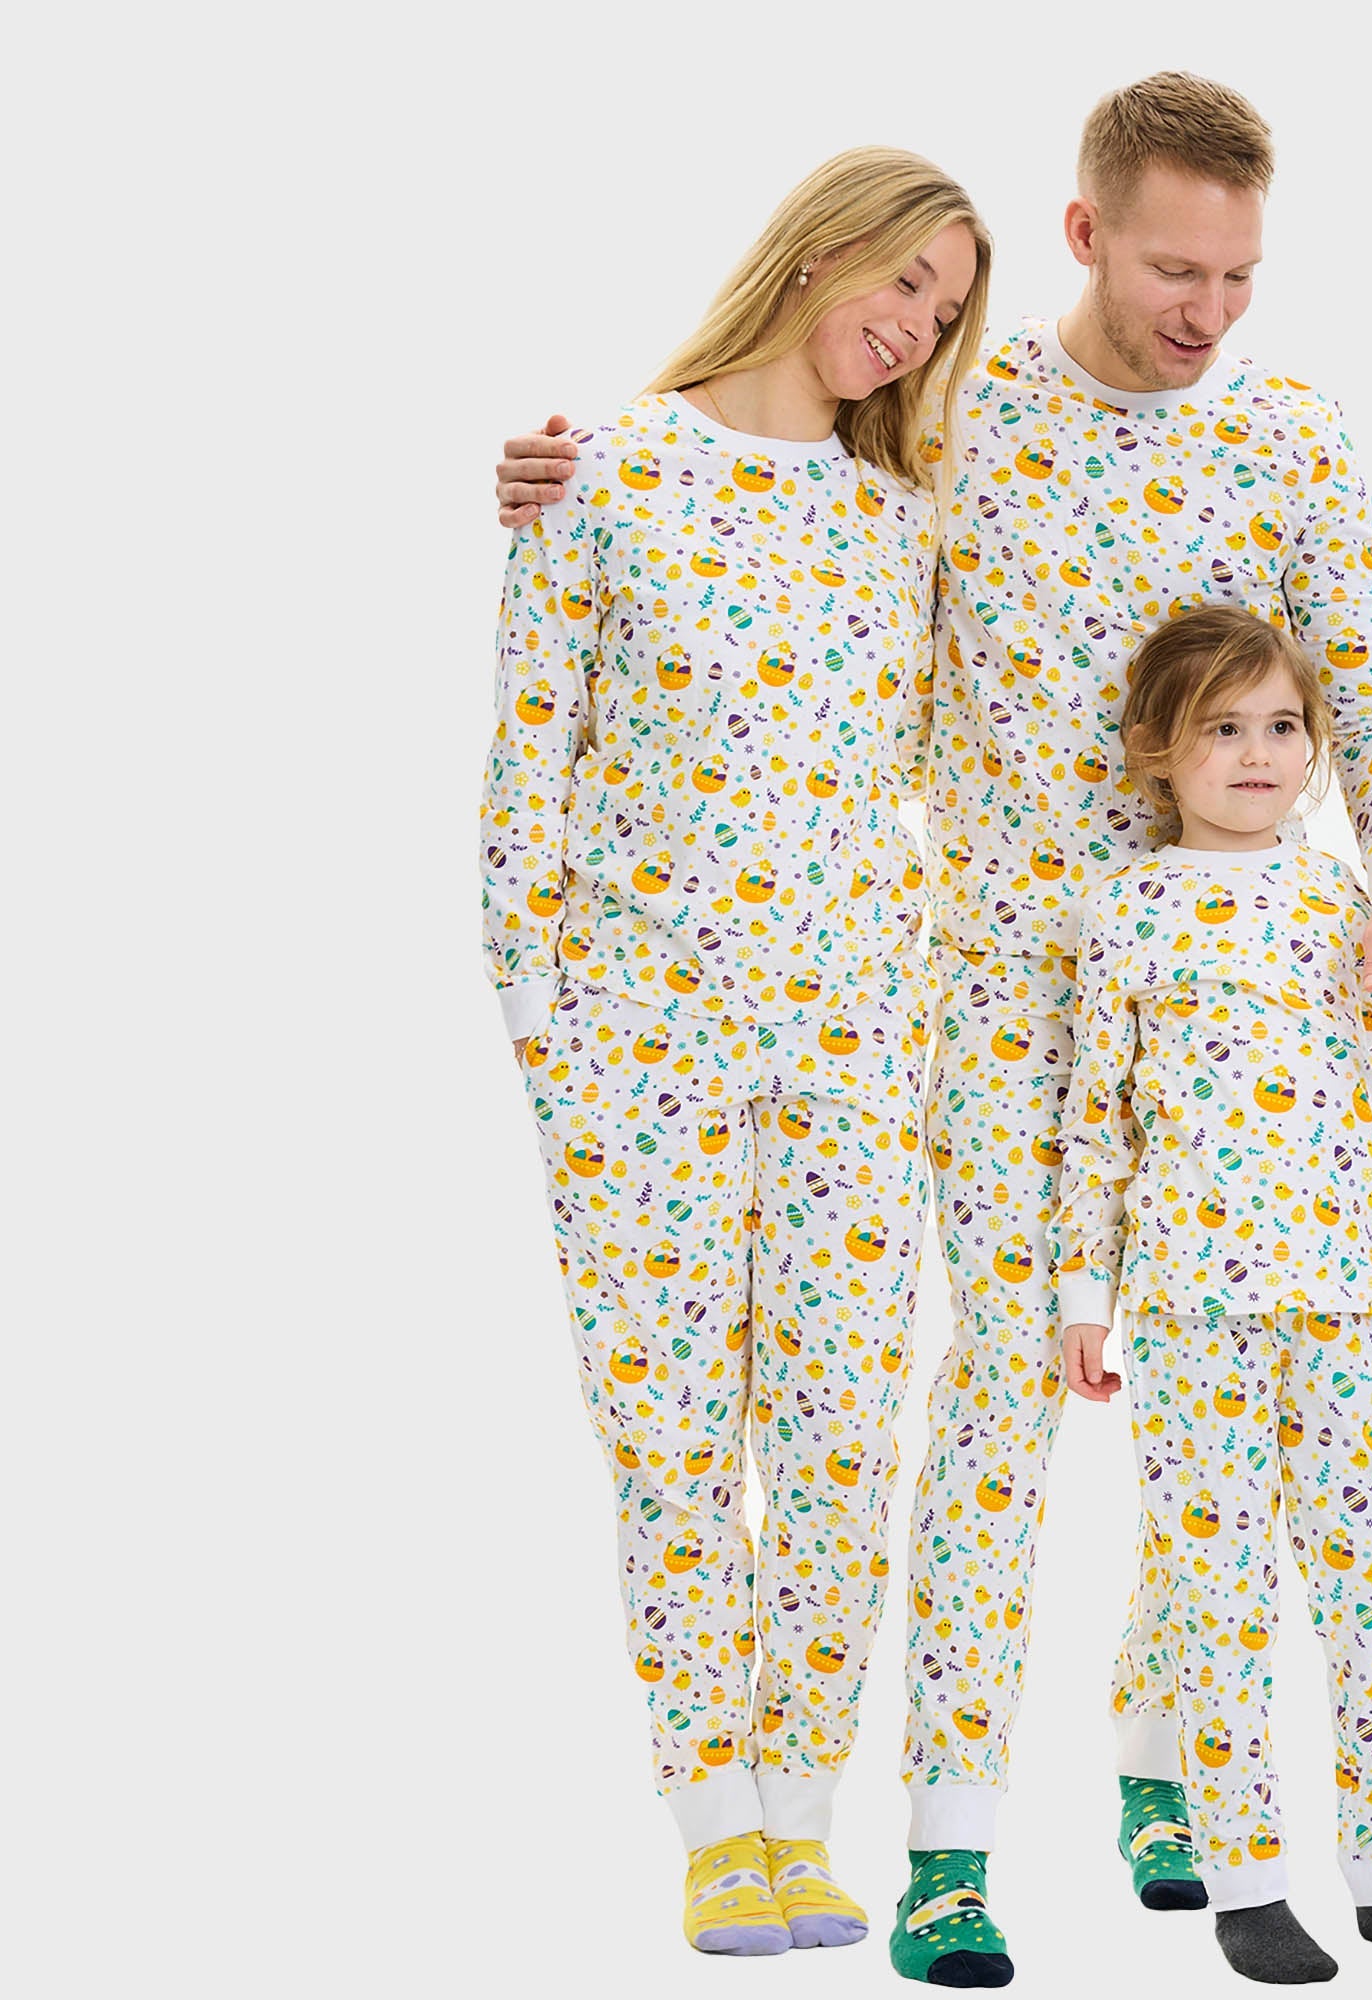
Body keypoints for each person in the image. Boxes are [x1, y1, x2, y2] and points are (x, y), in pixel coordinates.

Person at [492, 74, 1372, 1985]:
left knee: (1239, 1386)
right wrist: (563, 486)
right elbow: (757, 516)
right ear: (1088, 235)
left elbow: (1370, 678)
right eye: (1175, 270)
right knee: (998, 1398)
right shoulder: (960, 414)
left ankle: (1169, 1761)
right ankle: (948, 1848)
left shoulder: (1292, 436)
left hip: (1228, 1000)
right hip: (979, 998)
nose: (1208, 311)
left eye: (1242, 275)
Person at [480, 147, 989, 1960]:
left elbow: (962, 761)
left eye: (947, 309)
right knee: (676, 1438)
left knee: (845, 1432)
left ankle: (802, 1818)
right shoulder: (606, 472)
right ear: (820, 249)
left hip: (860, 1040)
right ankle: (713, 1827)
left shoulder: (904, 516)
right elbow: (528, 760)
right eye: (907, 280)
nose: (918, 326)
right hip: (640, 1052)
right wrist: (545, 1031)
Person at [1054, 604, 1372, 1983]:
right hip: (1192, 1303)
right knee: (1218, 1593)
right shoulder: (1126, 910)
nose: (1259, 754)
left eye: (1282, 726)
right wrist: (1086, 1294)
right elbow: (1098, 1122)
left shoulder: (1341, 901)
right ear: (1156, 749)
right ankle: (1247, 1882)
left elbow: (1353, 1100)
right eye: (1222, 728)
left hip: (1346, 1292)